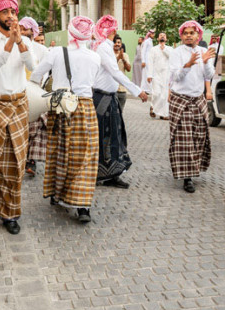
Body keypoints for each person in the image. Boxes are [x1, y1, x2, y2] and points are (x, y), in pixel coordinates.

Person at [30, 16, 103, 223]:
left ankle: (56, 193)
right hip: (85, 107)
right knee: (85, 156)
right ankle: (82, 205)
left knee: (59, 150)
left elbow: (35, 76)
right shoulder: (95, 57)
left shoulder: (56, 52)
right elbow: (94, 82)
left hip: (61, 106)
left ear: (70, 32)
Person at [0, 0, 35, 235]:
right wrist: (9, 43)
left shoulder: (25, 41)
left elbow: (32, 65)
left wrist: (20, 42)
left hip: (19, 106)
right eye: (5, 12)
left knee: (15, 162)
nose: (11, 15)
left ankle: (10, 213)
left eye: (13, 11)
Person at [91, 15, 148, 189]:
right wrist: (137, 91)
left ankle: (112, 173)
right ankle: (101, 174)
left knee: (114, 135)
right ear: (114, 30)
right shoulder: (102, 47)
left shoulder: (102, 46)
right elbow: (115, 72)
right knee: (104, 136)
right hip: (103, 98)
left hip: (108, 97)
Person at [167, 21, 216, 193]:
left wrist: (206, 62)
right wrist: (187, 65)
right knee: (184, 139)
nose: (188, 35)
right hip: (181, 100)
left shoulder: (203, 51)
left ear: (198, 35)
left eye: (191, 33)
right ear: (181, 36)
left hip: (198, 100)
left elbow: (209, 76)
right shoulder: (176, 53)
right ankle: (187, 177)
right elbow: (176, 77)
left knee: (199, 137)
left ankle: (195, 168)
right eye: (185, 33)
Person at [19, 17, 49, 176]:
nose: (23, 33)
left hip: (36, 93)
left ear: (33, 32)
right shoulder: (13, 46)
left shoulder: (42, 50)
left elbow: (45, 73)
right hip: (17, 93)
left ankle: (30, 161)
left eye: (27, 30)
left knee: (34, 129)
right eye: (21, 29)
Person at [146, 32, 172, 119]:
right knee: (156, 93)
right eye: (160, 35)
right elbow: (150, 62)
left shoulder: (170, 49)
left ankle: (163, 114)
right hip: (156, 74)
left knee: (164, 96)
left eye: (164, 36)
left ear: (166, 39)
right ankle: (153, 106)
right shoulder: (153, 49)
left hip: (166, 75)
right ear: (157, 38)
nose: (162, 37)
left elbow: (172, 58)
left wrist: (164, 49)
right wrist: (149, 75)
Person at [113, 35, 130, 112]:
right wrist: (117, 58)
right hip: (112, 90)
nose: (117, 44)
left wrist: (123, 59)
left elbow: (129, 69)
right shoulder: (109, 54)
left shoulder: (125, 55)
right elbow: (111, 67)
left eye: (119, 42)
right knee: (113, 112)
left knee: (120, 112)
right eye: (115, 42)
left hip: (122, 89)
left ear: (121, 44)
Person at [140, 31, 155, 116]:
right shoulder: (146, 42)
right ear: (149, 34)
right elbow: (143, 51)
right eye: (152, 34)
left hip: (150, 61)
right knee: (145, 75)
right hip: (146, 61)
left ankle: (147, 89)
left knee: (148, 76)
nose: (153, 35)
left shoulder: (151, 41)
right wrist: (143, 61)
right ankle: (144, 89)